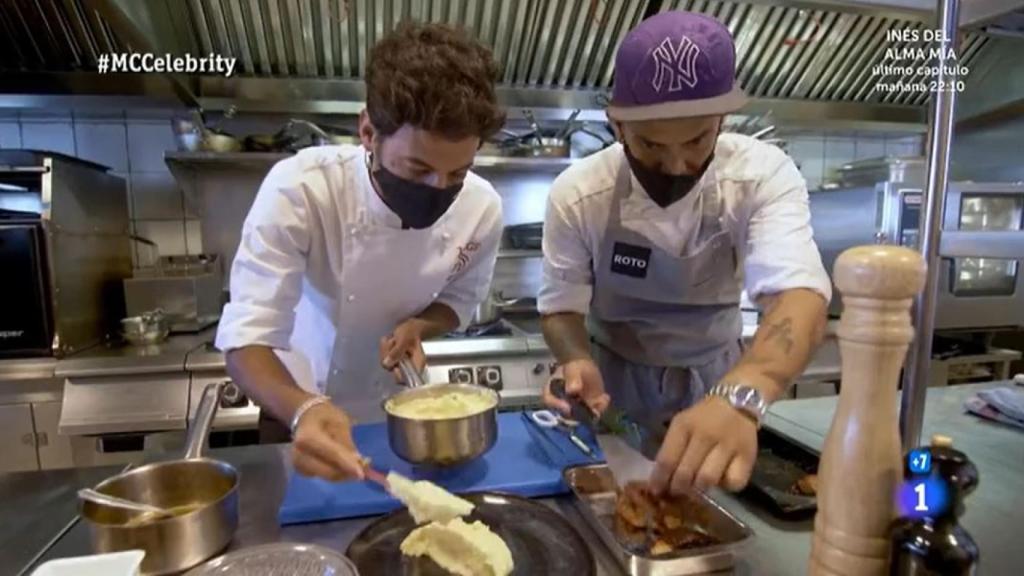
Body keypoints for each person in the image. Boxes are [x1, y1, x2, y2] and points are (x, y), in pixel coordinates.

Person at [539, 11, 831, 496]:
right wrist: (575, 359)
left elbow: (799, 296)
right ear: (617, 123)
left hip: (720, 376)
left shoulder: (761, 177)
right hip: (614, 390)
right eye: (650, 144)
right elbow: (560, 308)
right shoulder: (579, 194)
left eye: (696, 140)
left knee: (707, 509)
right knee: (618, 500)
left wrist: (741, 396)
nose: (675, 165)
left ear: (724, 120)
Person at [216, 22, 506, 482]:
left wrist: (419, 326)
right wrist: (303, 409)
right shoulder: (303, 189)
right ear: (369, 131)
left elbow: (459, 303)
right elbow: (245, 338)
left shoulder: (482, 207)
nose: (440, 188)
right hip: (293, 402)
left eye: (458, 174)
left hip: (399, 414)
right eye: (419, 168)